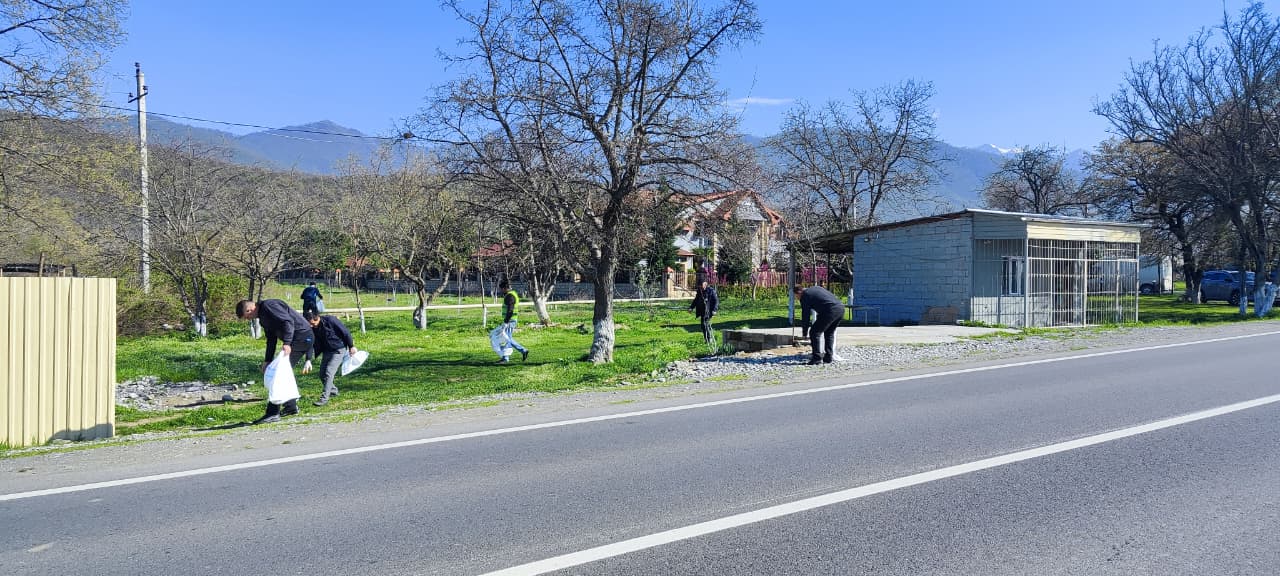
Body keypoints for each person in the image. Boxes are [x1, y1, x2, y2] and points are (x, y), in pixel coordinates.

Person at [235, 299, 314, 424]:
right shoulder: (263, 318)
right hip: (296, 338)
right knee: (282, 372)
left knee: (278, 373)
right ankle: (291, 406)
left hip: (302, 336)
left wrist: (287, 343)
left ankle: (273, 413)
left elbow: (288, 321)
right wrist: (267, 360)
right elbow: (271, 340)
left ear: (249, 310)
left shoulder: (269, 306)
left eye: (247, 317)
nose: (248, 319)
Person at [302, 310, 357, 406]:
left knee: (329, 372)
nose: (311, 326)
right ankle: (333, 391)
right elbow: (310, 344)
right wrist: (308, 359)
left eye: (312, 323)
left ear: (317, 318)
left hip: (338, 349)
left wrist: (351, 346)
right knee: (322, 374)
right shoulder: (311, 328)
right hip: (327, 351)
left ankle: (324, 399)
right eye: (309, 324)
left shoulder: (331, 320)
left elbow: (345, 332)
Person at [793, 285, 845, 365]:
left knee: (814, 332)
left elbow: (806, 315)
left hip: (829, 310)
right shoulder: (815, 288)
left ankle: (816, 358)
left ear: (799, 293)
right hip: (840, 308)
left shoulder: (805, 296)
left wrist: (805, 332)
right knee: (829, 333)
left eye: (796, 296)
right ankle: (828, 357)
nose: (796, 298)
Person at [490, 278, 529, 363]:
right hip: (511, 320)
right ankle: (522, 351)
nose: (501, 291)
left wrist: (506, 322)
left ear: (505, 288)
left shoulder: (509, 296)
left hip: (510, 321)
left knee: (506, 339)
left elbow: (510, 310)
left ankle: (506, 358)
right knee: (508, 338)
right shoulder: (512, 294)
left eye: (501, 289)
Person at [690, 279, 719, 347]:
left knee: (705, 324)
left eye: (702, 285)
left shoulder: (711, 291)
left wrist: (714, 310)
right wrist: (691, 307)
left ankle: (709, 338)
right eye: (700, 286)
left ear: (705, 284)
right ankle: (707, 338)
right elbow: (696, 300)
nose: (701, 287)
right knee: (703, 325)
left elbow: (716, 301)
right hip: (702, 310)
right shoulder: (699, 291)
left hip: (709, 311)